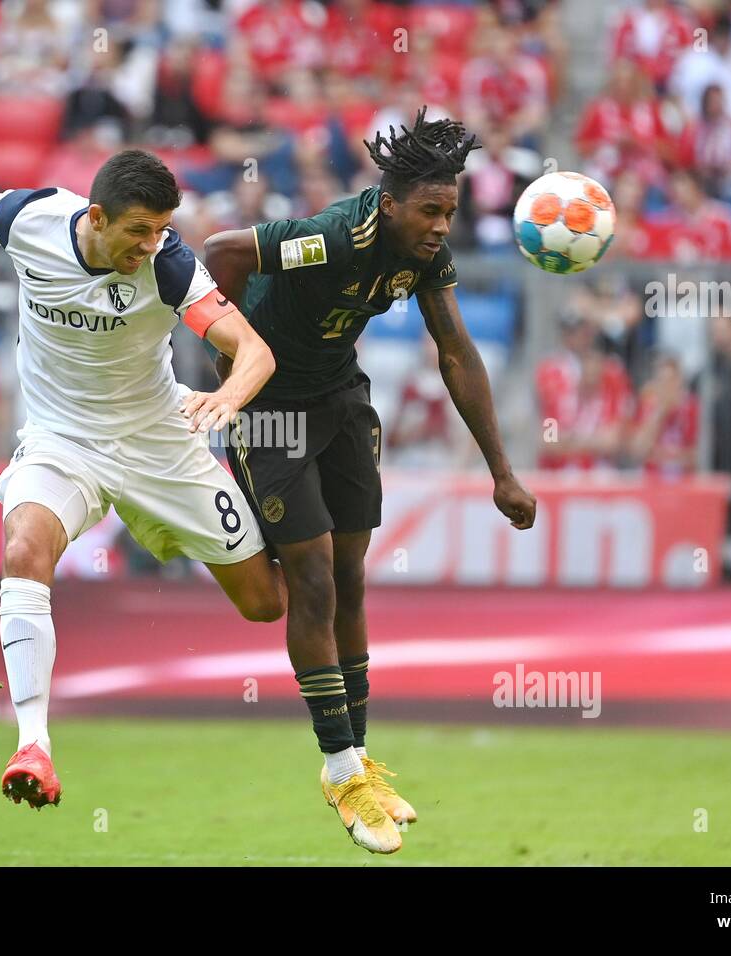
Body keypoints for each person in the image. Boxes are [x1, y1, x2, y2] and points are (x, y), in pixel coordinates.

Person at [0, 149, 286, 811]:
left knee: (264, 603)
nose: (151, 243)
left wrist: (229, 399)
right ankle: (33, 744)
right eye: (139, 230)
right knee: (24, 548)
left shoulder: (170, 268)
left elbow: (252, 350)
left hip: (159, 441)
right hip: (61, 440)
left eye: (162, 228)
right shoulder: (32, 219)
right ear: (96, 216)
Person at [204, 108, 536, 854]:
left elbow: (455, 350)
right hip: (270, 415)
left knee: (349, 580)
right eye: (429, 210)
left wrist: (502, 472)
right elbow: (221, 252)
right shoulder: (328, 238)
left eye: (450, 211)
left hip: (342, 403)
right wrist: (229, 375)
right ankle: (338, 768)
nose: (441, 225)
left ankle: (359, 759)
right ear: (388, 203)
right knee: (313, 579)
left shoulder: (421, 253)